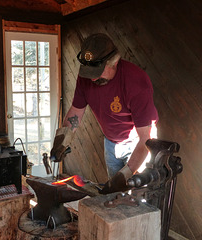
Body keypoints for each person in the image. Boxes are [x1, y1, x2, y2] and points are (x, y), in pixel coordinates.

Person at [50, 33, 158, 194]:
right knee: (115, 197)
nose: (92, 79)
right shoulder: (86, 77)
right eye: (89, 73)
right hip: (111, 143)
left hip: (138, 144)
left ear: (113, 63)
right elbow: (76, 112)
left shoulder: (136, 82)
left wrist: (126, 175)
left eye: (97, 72)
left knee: (136, 199)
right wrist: (61, 141)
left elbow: (146, 139)